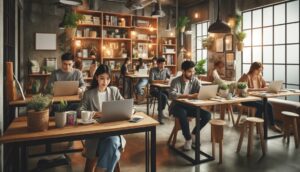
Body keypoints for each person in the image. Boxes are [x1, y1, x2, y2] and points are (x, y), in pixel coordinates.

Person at [80, 64, 126, 172]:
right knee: (113, 146)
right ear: (96, 77)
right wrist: (95, 113)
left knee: (112, 141)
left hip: (112, 130)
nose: (105, 82)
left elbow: (125, 104)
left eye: (107, 79)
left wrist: (131, 110)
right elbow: (79, 110)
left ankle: (100, 169)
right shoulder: (89, 94)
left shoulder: (114, 91)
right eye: (102, 78)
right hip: (95, 135)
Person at [169, 61, 211, 151]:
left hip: (190, 106)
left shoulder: (194, 80)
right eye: (189, 71)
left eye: (193, 71)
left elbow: (201, 90)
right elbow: (172, 95)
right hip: (177, 106)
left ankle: (194, 134)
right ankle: (188, 139)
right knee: (182, 113)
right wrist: (189, 96)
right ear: (183, 71)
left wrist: (206, 93)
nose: (192, 73)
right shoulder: (175, 81)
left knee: (207, 115)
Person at [238, 62, 281, 132]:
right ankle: (259, 124)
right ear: (253, 69)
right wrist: (260, 89)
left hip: (256, 98)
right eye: (258, 70)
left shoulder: (259, 76)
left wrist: (271, 88)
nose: (259, 72)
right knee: (262, 106)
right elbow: (245, 89)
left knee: (269, 104)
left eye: (261, 70)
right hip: (246, 99)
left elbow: (265, 85)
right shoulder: (246, 76)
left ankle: (271, 125)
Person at [149, 57, 171, 124]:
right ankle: (160, 115)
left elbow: (170, 77)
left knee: (171, 94)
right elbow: (151, 81)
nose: (163, 66)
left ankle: (168, 112)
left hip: (163, 89)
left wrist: (170, 79)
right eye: (162, 64)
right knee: (163, 97)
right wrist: (162, 81)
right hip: (154, 89)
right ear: (158, 64)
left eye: (164, 64)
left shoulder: (166, 70)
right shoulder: (152, 70)